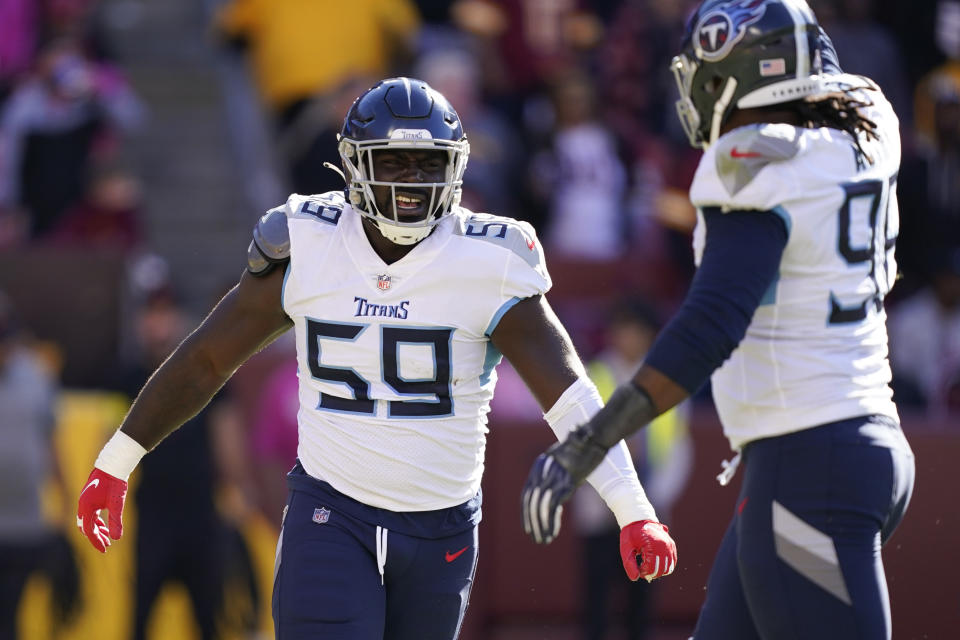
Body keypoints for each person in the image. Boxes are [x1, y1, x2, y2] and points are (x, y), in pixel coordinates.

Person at [76, 77, 677, 640]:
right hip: (332, 516)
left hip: (441, 528)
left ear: (457, 168)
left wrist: (633, 508)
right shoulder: (308, 243)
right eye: (392, 160)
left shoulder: (489, 259)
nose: (411, 179)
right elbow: (207, 359)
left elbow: (569, 394)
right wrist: (116, 460)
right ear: (353, 166)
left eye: (428, 162)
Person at [521, 2, 915, 639]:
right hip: (848, 451)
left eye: (710, 74)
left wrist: (587, 443)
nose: (700, 92)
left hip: (808, 467)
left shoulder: (754, 163)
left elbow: (710, 327)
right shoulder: (868, 121)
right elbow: (827, 79)